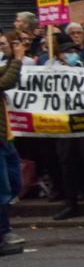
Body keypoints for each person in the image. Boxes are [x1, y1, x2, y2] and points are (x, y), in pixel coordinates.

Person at [0, 37, 25, 255]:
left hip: (4, 138)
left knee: (15, 183)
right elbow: (5, 82)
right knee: (2, 189)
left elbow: (8, 76)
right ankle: (3, 233)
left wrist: (11, 56)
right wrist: (16, 59)